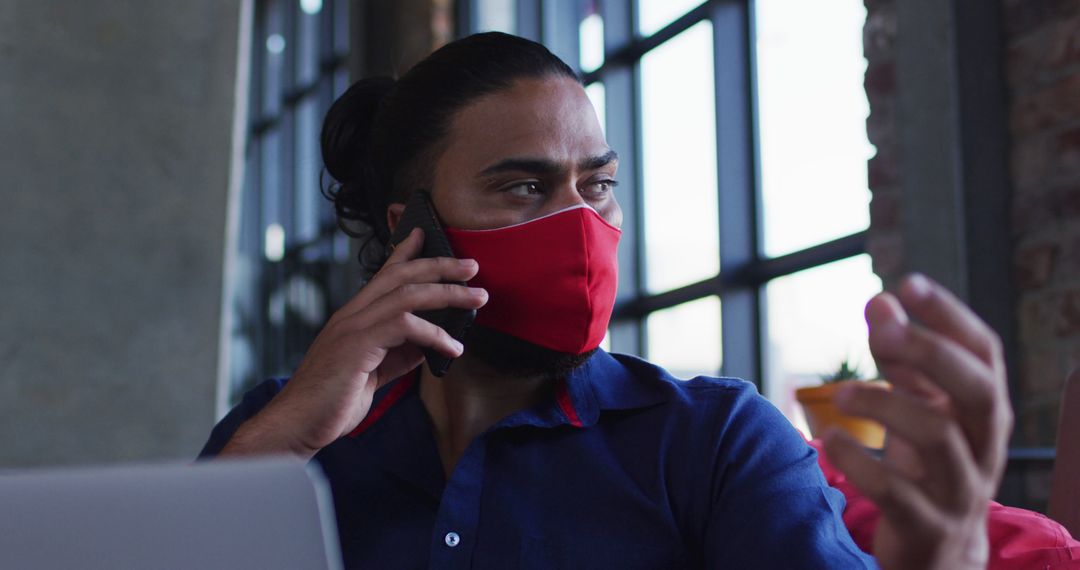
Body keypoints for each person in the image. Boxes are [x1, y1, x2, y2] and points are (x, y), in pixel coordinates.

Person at [200, 32, 1013, 569]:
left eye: (598, 186)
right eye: (523, 186)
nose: (581, 226)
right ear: (411, 227)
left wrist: (945, 558)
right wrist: (287, 440)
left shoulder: (714, 439)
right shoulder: (284, 427)